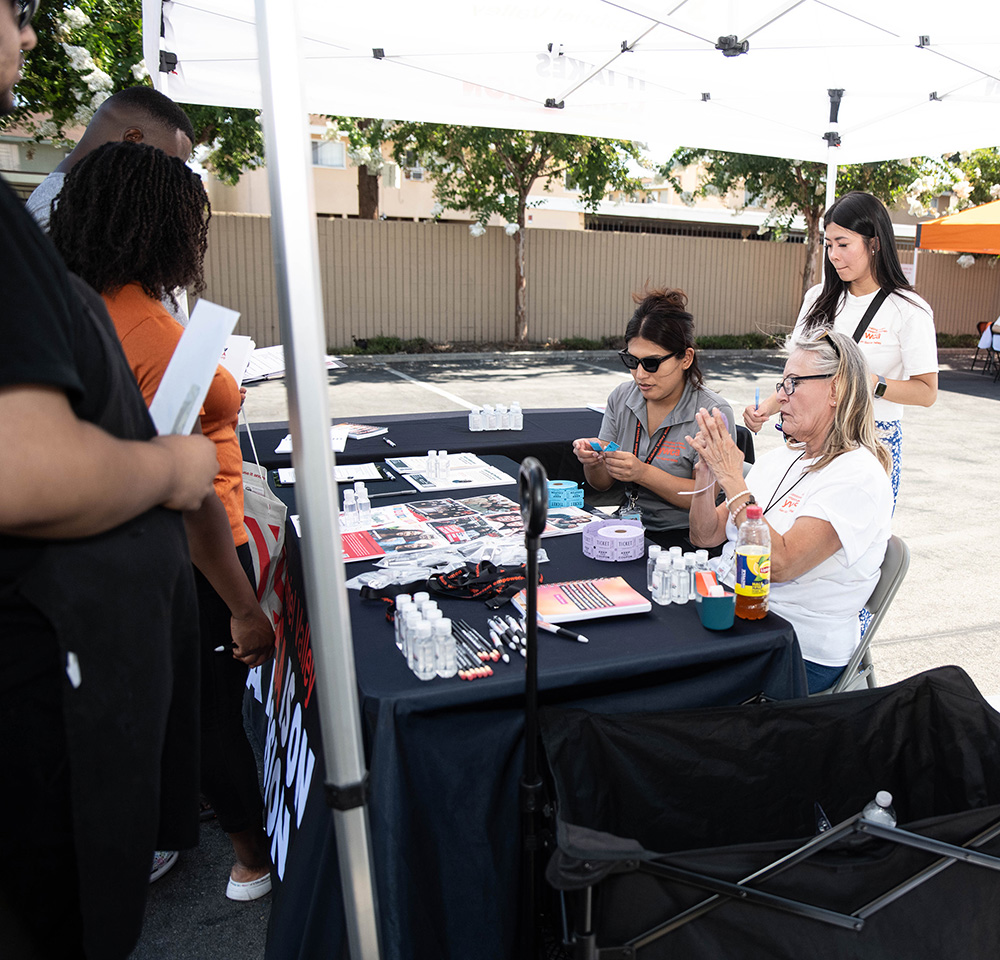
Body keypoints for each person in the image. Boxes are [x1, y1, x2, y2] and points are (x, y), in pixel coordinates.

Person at [0, 2, 220, 956]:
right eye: (16, 14)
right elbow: (27, 469)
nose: (28, 36)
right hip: (49, 697)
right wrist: (174, 464)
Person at [50, 140, 276, 901]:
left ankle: (202, 814)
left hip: (126, 552)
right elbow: (186, 497)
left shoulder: (81, 308)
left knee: (180, 703)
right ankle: (251, 856)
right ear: (161, 226)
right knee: (211, 710)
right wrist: (243, 608)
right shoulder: (149, 333)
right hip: (196, 557)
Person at [688, 330, 892, 694]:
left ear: (836, 390)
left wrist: (733, 479)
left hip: (795, 646)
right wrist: (707, 472)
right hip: (736, 613)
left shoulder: (858, 475)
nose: (780, 396)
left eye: (793, 383)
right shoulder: (783, 458)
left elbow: (779, 565)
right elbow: (704, 535)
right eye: (782, 384)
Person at [744, 191, 937, 507]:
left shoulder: (909, 309)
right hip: (811, 435)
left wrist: (869, 383)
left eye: (843, 244)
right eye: (829, 244)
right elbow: (801, 376)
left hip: (871, 439)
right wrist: (766, 409)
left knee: (852, 531)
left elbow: (927, 392)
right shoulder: (818, 298)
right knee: (794, 524)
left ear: (874, 243)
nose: (833, 255)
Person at [573, 288, 735, 549]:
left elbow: (703, 496)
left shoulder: (712, 412)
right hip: (628, 529)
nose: (640, 374)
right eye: (631, 360)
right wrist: (593, 461)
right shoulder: (622, 397)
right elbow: (601, 484)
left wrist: (643, 473)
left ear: (686, 358)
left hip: (686, 538)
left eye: (651, 363)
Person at [26, 84, 195, 232]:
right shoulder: (60, 209)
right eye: (165, 164)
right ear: (132, 138)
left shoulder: (87, 201)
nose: (166, 178)